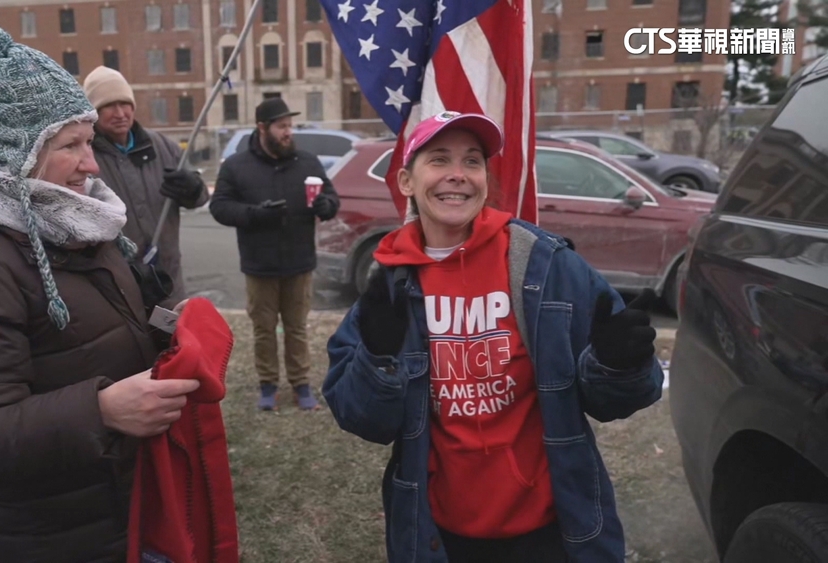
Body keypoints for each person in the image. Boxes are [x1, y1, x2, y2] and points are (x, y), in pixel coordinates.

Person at [0, 23, 201, 563]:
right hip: (55, 539)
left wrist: (165, 327)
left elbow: (84, 338)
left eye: (89, 142)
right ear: (13, 153)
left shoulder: (74, 224)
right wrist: (101, 412)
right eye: (70, 145)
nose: (92, 166)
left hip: (129, 508)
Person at [322, 111, 664, 563]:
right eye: (439, 160)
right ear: (406, 180)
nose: (457, 176)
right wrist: (379, 361)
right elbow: (362, 420)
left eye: (472, 161)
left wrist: (619, 363)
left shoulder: (544, 264)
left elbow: (619, 399)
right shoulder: (389, 285)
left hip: (552, 529)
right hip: (440, 534)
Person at [209, 98, 340, 411]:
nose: (288, 132)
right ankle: (268, 385)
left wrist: (327, 206)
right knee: (263, 329)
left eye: (290, 126)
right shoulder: (237, 166)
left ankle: (301, 384)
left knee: (296, 327)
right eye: (282, 126)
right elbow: (220, 207)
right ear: (262, 128)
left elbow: (330, 195)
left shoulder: (307, 162)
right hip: (259, 265)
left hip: (299, 262)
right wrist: (254, 214)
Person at [83, 65, 209, 310]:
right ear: (94, 113)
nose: (120, 113)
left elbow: (200, 198)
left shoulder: (163, 146)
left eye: (125, 104)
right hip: (118, 283)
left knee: (174, 343)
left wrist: (193, 189)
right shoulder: (86, 157)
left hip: (168, 279)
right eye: (109, 106)